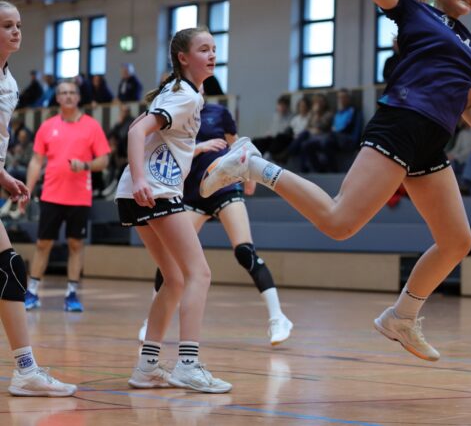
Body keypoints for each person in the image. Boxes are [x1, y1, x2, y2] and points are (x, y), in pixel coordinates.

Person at [199, 0, 471, 362]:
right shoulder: (415, 12)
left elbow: (470, 103)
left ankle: (402, 317)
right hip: (401, 123)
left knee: (457, 241)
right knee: (339, 222)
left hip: (431, 142)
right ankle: (253, 166)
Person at [115, 26, 231, 393]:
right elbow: (136, 132)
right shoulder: (184, 95)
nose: (212, 55)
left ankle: (147, 367)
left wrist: (197, 148)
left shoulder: (182, 91)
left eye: (214, 48)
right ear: (183, 58)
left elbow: (158, 139)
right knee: (200, 274)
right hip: (154, 191)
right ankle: (188, 364)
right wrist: (140, 179)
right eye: (203, 49)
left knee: (175, 279)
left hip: (137, 192)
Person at [138, 101, 293, 346]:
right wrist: (199, 148)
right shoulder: (171, 115)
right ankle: (151, 320)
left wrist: (250, 173)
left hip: (224, 189)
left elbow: (237, 144)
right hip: (192, 195)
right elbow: (165, 153)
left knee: (244, 252)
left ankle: (278, 318)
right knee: (170, 258)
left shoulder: (218, 113)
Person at [0, 0, 77, 396]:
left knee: (9, 268)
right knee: (9, 267)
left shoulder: (10, 83)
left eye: (18, 24)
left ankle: (26, 370)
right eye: (6, 25)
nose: (16, 31)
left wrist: (3, 175)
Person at [23, 79, 110, 312]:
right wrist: (27, 189)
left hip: (79, 197)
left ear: (78, 97)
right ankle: (32, 292)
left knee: (75, 244)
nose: (68, 96)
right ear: (58, 98)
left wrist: (85, 165)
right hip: (51, 195)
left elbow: (104, 160)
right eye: (64, 93)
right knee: (43, 243)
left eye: (72, 92)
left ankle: (71, 294)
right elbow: (36, 161)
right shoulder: (47, 126)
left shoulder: (92, 126)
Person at [301, 89, 361, 172]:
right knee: (306, 145)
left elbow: (355, 130)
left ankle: (333, 170)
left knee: (326, 142)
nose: (341, 100)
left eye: (344, 97)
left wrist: (357, 145)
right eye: (339, 98)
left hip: (344, 139)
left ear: (348, 99)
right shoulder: (337, 113)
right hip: (332, 137)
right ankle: (319, 170)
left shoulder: (354, 111)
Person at [252, 95, 294, 160]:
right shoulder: (276, 115)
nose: (281, 107)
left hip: (283, 139)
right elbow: (272, 128)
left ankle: (268, 155)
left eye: (283, 106)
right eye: (280, 105)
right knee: (256, 141)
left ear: (287, 106)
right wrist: (268, 134)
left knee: (279, 137)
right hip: (273, 137)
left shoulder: (291, 117)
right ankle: (256, 157)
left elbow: (286, 131)